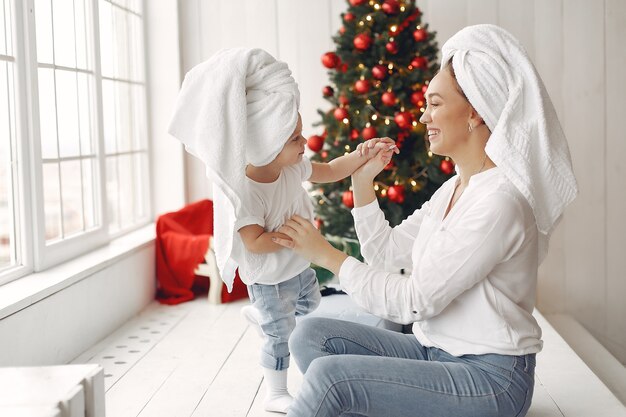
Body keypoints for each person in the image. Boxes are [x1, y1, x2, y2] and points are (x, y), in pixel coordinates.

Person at [272, 24, 578, 417]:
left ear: (475, 112)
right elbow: (386, 255)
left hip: (490, 380)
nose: (423, 116)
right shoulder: (453, 189)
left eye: (434, 103)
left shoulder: (499, 202)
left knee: (333, 378)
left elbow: (414, 302)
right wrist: (362, 182)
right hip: (435, 352)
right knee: (312, 335)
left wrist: (328, 255)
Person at [167, 48, 397, 413]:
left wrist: (361, 155)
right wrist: (291, 238)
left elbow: (333, 169)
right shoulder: (245, 192)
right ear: (266, 144)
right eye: (295, 139)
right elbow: (254, 243)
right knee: (280, 335)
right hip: (269, 278)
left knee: (310, 304)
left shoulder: (293, 168)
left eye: (301, 135)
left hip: (297, 268)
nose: (304, 144)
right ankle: (275, 390)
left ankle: (263, 316)